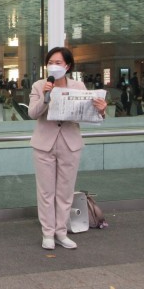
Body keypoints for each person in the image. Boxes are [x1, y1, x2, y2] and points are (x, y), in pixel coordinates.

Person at [28, 47, 106, 250]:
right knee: (46, 192)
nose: (53, 66)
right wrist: (45, 96)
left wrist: (101, 111)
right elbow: (32, 113)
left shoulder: (78, 86)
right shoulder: (39, 85)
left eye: (58, 62)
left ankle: (61, 232)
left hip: (70, 144)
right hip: (44, 144)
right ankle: (47, 233)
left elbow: (90, 115)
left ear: (68, 66)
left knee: (65, 192)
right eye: (50, 62)